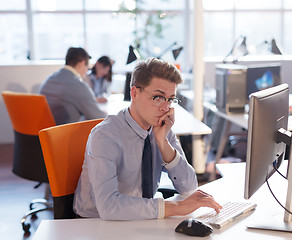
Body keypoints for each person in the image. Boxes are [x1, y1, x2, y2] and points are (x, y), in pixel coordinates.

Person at [73, 58, 222, 220]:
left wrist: (163, 142)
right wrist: (178, 207)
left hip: (140, 217)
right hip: (96, 223)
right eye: (158, 97)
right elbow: (109, 207)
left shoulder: (161, 128)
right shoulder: (105, 136)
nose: (165, 107)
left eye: (171, 99)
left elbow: (189, 187)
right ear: (134, 93)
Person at [39, 47, 107, 125]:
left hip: (45, 132)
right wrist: (104, 114)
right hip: (67, 133)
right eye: (87, 67)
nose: (86, 71)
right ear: (81, 63)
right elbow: (99, 118)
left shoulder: (49, 80)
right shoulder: (79, 86)